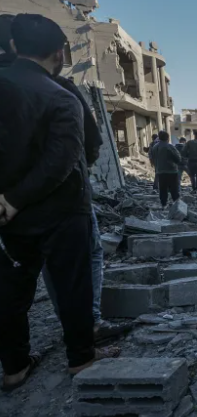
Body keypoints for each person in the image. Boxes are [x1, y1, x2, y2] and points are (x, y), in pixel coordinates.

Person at [0, 14, 117, 391]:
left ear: (15, 46)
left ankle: (14, 365)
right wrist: (18, 199)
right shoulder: (62, 96)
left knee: (11, 292)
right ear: (60, 53)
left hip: (7, 215)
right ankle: (80, 359)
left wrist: (8, 200)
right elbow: (65, 159)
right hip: (61, 210)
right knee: (72, 285)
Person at [150, 131, 181, 207]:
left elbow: (152, 158)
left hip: (160, 171)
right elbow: (178, 159)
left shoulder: (155, 147)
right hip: (172, 172)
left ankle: (163, 205)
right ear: (167, 138)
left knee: (163, 190)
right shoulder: (169, 147)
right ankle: (177, 207)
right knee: (174, 190)